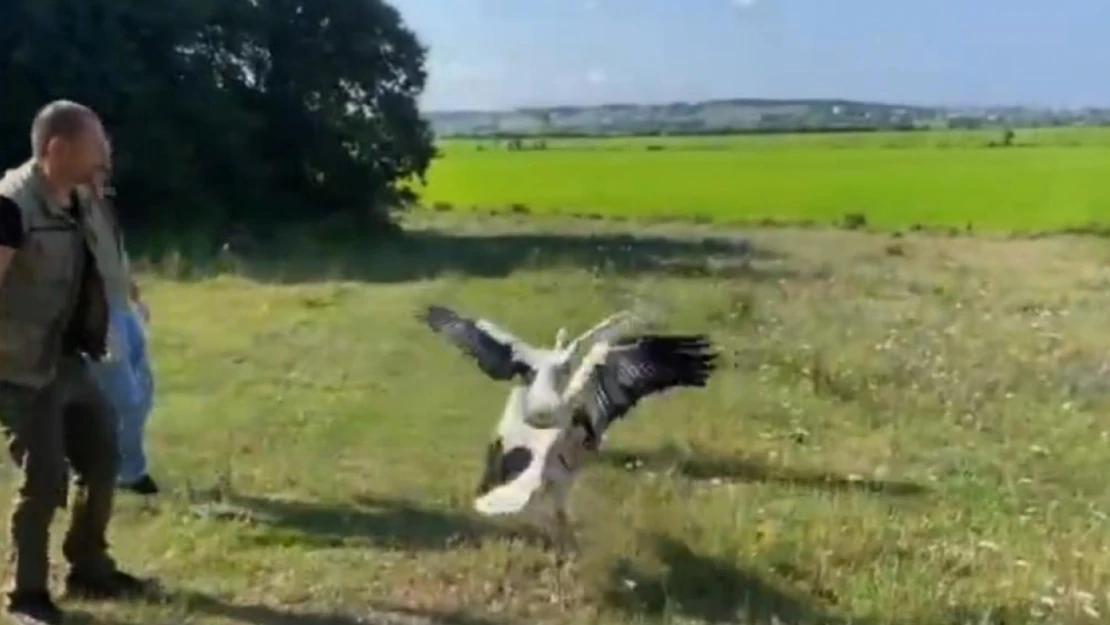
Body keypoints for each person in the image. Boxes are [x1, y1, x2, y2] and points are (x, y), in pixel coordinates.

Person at [0, 100, 148, 625]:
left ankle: (89, 566)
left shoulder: (84, 198)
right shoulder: (11, 206)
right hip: (20, 366)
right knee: (43, 478)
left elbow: (104, 262)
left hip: (70, 357)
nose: (105, 154)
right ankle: (27, 596)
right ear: (57, 150)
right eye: (96, 146)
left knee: (104, 459)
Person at [85, 162, 160, 496]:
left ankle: (123, 466)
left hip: (123, 310)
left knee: (144, 391)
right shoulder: (67, 215)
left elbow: (116, 256)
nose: (103, 175)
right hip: (99, 316)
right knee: (125, 399)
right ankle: (126, 472)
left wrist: (135, 295)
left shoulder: (103, 207)